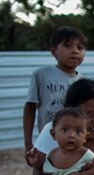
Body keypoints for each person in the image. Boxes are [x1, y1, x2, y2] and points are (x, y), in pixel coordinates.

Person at [23, 26, 88, 154]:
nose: (75, 51)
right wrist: (28, 143)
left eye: (80, 47)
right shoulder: (42, 75)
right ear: (54, 51)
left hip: (74, 145)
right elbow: (30, 108)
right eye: (68, 46)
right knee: (42, 172)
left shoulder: (84, 83)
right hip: (47, 143)